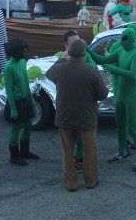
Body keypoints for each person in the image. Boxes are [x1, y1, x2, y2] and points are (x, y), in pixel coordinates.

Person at [46, 39, 108, 191]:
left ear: (69, 52)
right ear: (84, 53)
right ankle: (91, 180)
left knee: (67, 151)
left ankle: (71, 183)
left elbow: (49, 73)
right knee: (90, 149)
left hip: (65, 116)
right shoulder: (91, 70)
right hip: (87, 116)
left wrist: (62, 58)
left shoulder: (60, 69)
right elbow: (102, 94)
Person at [87, 28, 136, 172]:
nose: (121, 41)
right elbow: (102, 60)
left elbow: (133, 75)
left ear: (131, 39)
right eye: (121, 38)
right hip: (122, 95)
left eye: (124, 39)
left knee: (133, 128)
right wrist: (88, 50)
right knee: (120, 125)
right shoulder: (121, 51)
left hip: (134, 96)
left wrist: (114, 70)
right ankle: (122, 151)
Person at [3, 38, 40, 166]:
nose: (26, 51)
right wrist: (13, 108)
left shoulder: (23, 62)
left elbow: (26, 82)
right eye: (24, 49)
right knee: (15, 128)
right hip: (16, 102)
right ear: (17, 50)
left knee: (28, 126)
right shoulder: (9, 67)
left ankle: (25, 152)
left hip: (25, 100)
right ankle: (14, 156)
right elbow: (9, 90)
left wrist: (31, 99)